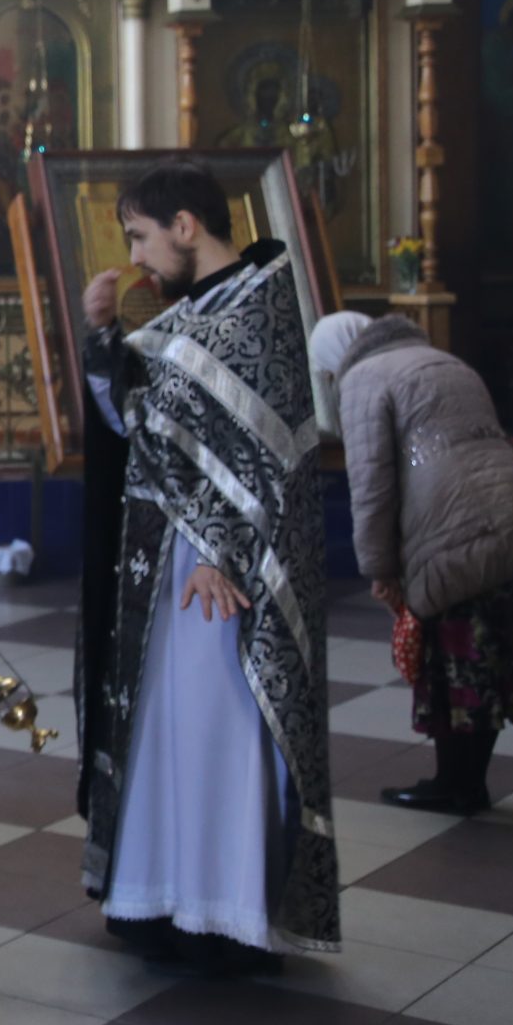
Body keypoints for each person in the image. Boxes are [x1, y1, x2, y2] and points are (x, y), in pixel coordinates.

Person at [77, 158, 338, 974]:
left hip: (225, 572)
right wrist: (100, 334)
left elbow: (266, 454)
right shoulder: (198, 313)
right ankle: (158, 898)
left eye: (140, 236)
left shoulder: (260, 307)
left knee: (221, 735)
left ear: (185, 225)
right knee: (167, 731)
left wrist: (221, 548)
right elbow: (140, 417)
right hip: (168, 561)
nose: (136, 256)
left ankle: (225, 913)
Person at [312, 311, 513, 813]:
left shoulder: (362, 379)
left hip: (456, 537)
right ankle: (468, 782)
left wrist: (379, 570)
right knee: (490, 664)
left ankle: (454, 785)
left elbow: (372, 487)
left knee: (455, 668)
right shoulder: (444, 361)